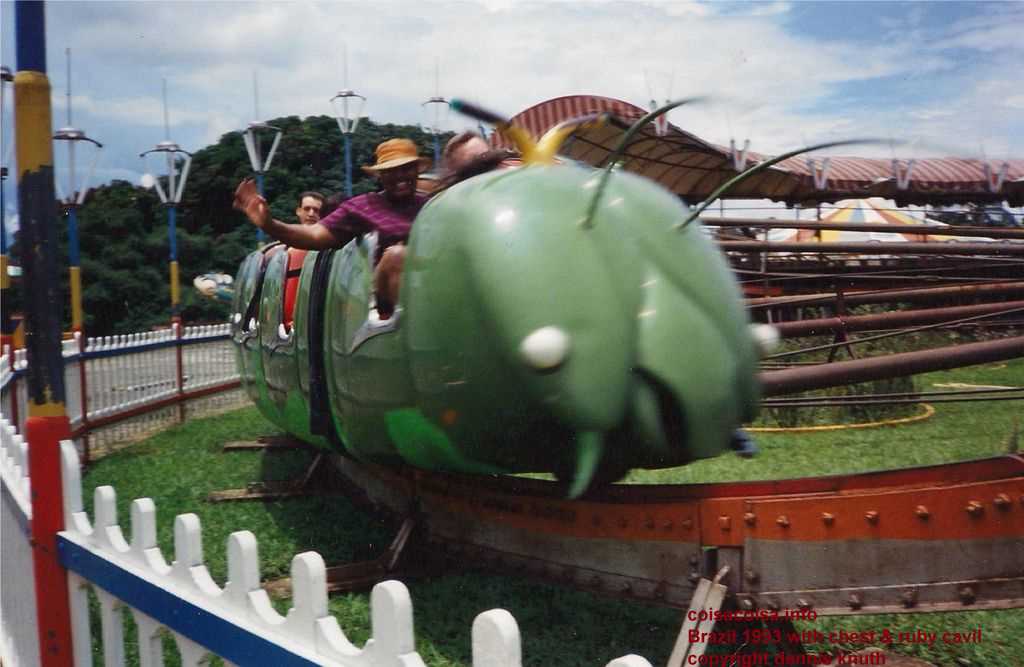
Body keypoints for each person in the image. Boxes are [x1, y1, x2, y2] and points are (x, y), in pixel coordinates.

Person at [234, 138, 431, 316]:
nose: (400, 176)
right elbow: (314, 234)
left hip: (431, 286)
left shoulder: (433, 206)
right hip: (388, 303)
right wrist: (269, 224)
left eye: (406, 168)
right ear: (380, 176)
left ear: (417, 171)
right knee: (396, 256)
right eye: (390, 171)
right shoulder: (363, 207)